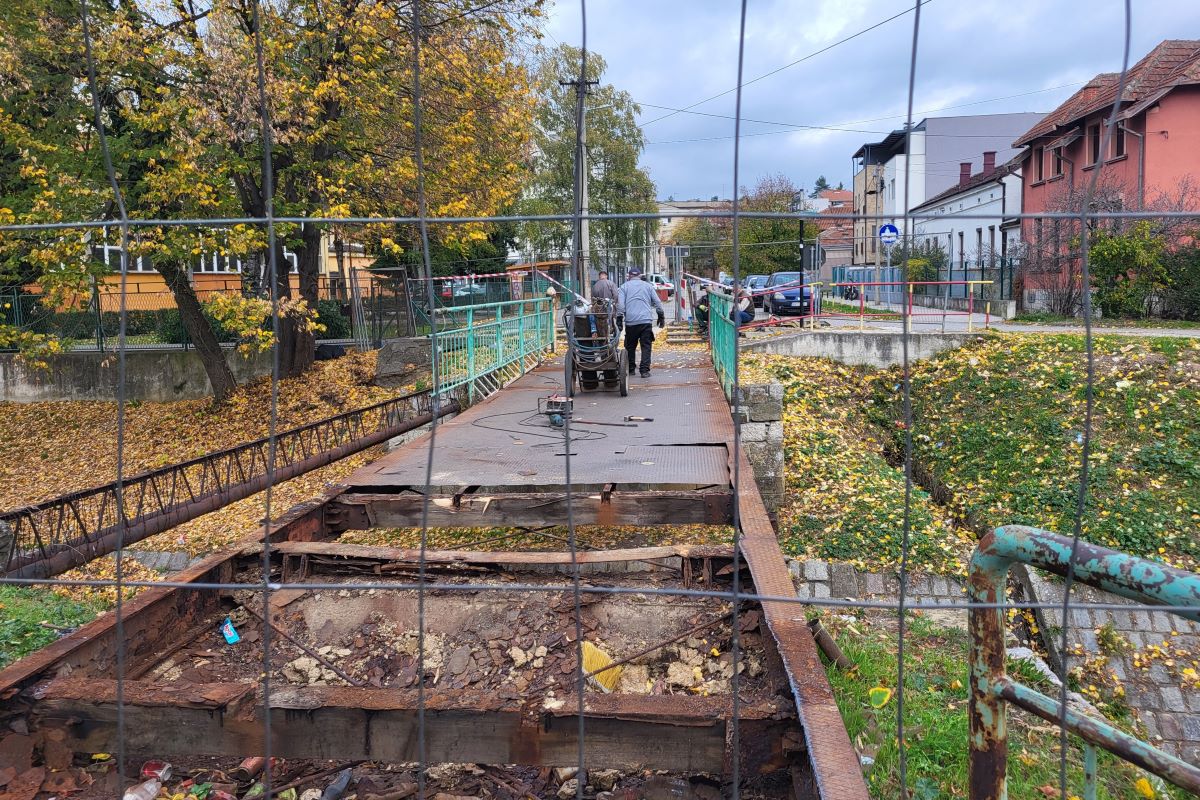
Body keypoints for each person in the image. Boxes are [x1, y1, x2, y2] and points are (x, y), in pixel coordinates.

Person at [616, 267, 664, 377]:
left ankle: (631, 368)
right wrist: (661, 316)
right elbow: (657, 302)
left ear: (629, 276)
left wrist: (619, 319)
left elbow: (621, 306)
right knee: (646, 346)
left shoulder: (624, 287)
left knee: (630, 346)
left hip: (631, 322)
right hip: (646, 321)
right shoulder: (648, 286)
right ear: (640, 276)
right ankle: (644, 371)